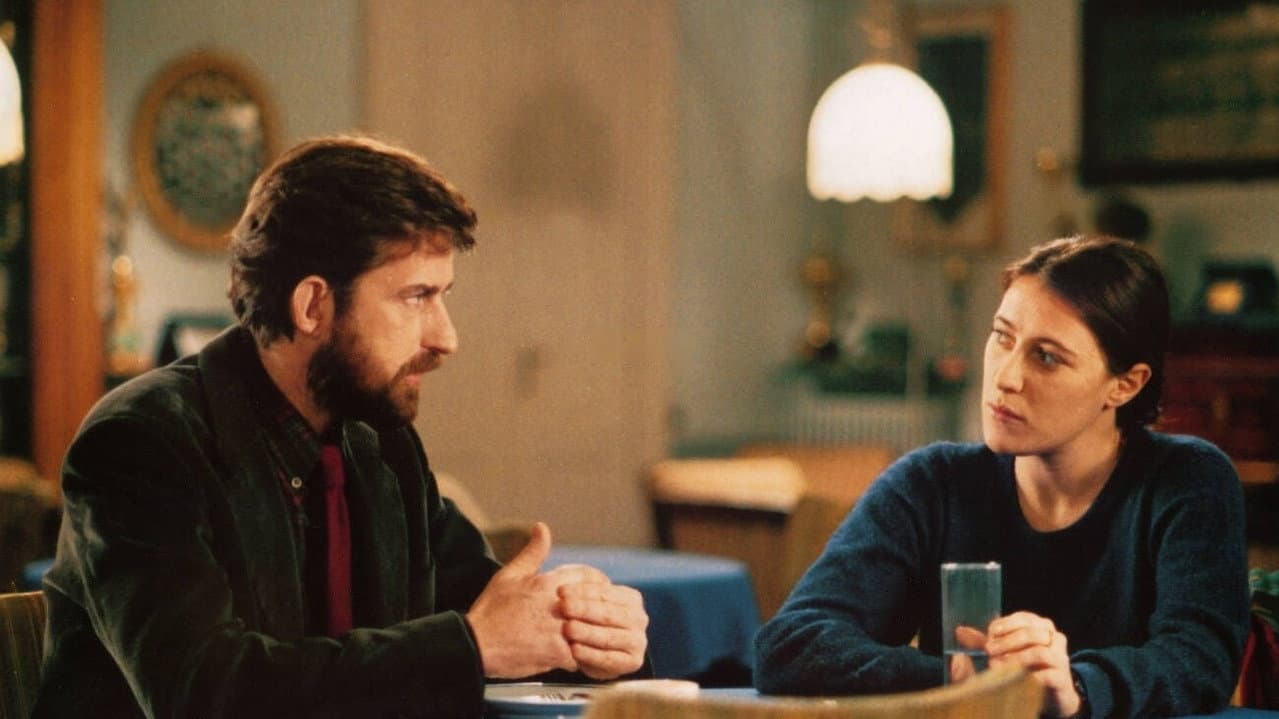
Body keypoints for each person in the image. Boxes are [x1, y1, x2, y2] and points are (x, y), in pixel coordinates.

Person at [33, 135, 649, 718]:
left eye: (443, 296)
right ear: (313, 306)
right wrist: (474, 646)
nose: (446, 338)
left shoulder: (379, 442)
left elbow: (495, 626)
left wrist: (587, 637)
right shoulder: (141, 442)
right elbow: (205, 693)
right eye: (416, 297)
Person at [754, 235, 1250, 718]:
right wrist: (958, 680)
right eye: (1003, 337)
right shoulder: (932, 484)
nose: (1005, 377)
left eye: (1047, 356)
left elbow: (1200, 658)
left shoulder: (1187, 480)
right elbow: (790, 645)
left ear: (1124, 384)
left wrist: (1076, 687)